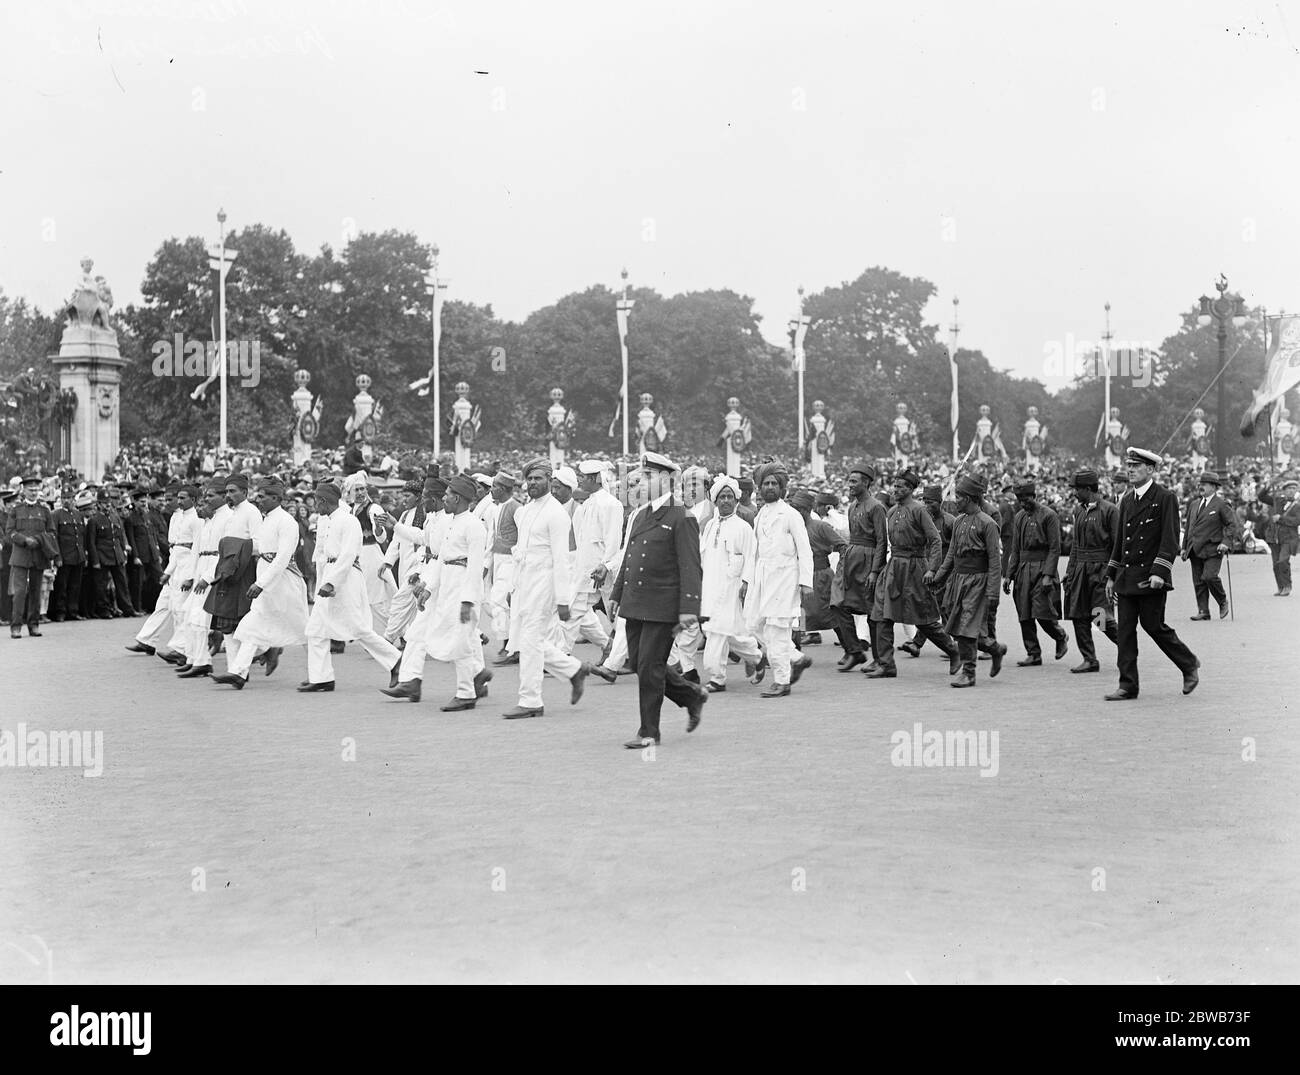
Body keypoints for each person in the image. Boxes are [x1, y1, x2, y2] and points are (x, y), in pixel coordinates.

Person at [610, 452, 706, 745]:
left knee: (650, 667)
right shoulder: (641, 514)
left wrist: (689, 608)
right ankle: (691, 695)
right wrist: (617, 593)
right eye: (642, 476)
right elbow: (629, 555)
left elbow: (691, 567)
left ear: (667, 480)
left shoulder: (681, 515)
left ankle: (648, 732)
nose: (642, 482)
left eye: (649, 477)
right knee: (641, 662)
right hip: (636, 601)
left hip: (663, 605)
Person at [500, 458, 598, 719]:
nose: (533, 483)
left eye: (539, 479)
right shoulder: (526, 510)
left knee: (530, 641)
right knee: (528, 640)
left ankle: (530, 701)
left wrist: (563, 600)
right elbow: (521, 553)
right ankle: (574, 670)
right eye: (530, 479)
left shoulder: (556, 514)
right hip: (525, 584)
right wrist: (513, 588)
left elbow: (561, 560)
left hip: (544, 585)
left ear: (550, 482)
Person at [1103, 447, 1200, 700]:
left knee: (1153, 626)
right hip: (1126, 577)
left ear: (1150, 469)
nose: (1130, 470)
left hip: (1150, 577)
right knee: (1124, 632)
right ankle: (1127, 685)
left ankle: (1188, 664)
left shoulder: (1165, 497)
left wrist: (1159, 571)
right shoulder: (1126, 500)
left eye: (1136, 466)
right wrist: (1111, 575)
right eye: (1129, 466)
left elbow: (1169, 539)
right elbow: (1119, 543)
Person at [388, 474, 490, 711]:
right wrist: (428, 588)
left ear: (458, 498)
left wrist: (468, 600)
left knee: (461, 640)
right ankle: (472, 684)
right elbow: (442, 558)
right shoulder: (452, 522)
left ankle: (467, 693)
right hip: (447, 586)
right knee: (455, 639)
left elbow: (475, 567)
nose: (444, 498)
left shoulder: (474, 525)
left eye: (447, 495)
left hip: (462, 587)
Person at [301, 481, 400, 691]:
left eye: (317, 501)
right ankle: (321, 678)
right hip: (329, 575)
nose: (314, 506)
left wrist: (331, 582)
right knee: (316, 629)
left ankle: (396, 661)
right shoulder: (327, 520)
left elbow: (347, 556)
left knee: (358, 628)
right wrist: (323, 580)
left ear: (323, 501)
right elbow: (323, 556)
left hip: (345, 579)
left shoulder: (348, 521)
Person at [213, 479, 309, 688]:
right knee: (252, 625)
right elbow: (260, 549)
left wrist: (261, 583)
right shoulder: (267, 520)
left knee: (303, 629)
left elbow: (283, 557)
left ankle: (320, 673)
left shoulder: (286, 521)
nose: (259, 500)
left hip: (285, 582)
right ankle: (238, 673)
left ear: (276, 498)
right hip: (266, 579)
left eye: (263, 496)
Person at [867, 469, 959, 679]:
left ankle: (953, 650)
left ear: (910, 489)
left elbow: (935, 540)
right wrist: (876, 571)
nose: (896, 490)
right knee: (882, 614)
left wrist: (932, 569)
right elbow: (883, 543)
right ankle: (887, 664)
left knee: (923, 619)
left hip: (915, 567)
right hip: (894, 567)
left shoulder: (919, 510)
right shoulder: (891, 512)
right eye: (895, 486)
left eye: (900, 487)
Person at [742, 461, 815, 697]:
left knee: (776, 631)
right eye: (766, 483)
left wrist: (806, 583)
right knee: (753, 625)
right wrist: (746, 581)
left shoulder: (790, 515)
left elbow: (804, 550)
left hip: (784, 579)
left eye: (774, 483)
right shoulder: (760, 515)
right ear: (759, 488)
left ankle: (781, 681)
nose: (770, 487)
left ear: (782, 487)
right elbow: (754, 553)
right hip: (761, 579)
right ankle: (796, 657)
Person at [927, 473, 1006, 685]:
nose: (956, 501)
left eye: (959, 497)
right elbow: (951, 556)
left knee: (966, 628)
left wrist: (992, 592)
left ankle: (969, 673)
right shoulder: (959, 522)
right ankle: (995, 649)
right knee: (960, 628)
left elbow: (994, 562)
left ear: (970, 498)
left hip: (978, 583)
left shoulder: (988, 524)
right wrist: (938, 578)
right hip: (958, 581)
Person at [697, 474, 763, 692]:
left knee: (718, 631)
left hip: (731, 587)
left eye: (729, 497)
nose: (725, 501)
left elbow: (751, 557)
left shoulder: (743, 527)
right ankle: (756, 656)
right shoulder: (708, 526)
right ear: (715, 500)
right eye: (721, 497)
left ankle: (717, 678)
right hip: (709, 587)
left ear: (736, 500)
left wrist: (746, 583)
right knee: (726, 631)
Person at [127, 484, 202, 657]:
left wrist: (190, 575)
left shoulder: (194, 519)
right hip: (175, 564)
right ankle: (147, 640)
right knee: (163, 603)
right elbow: (175, 547)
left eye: (172, 499)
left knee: (179, 607)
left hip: (187, 566)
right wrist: (168, 571)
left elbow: (194, 549)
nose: (168, 502)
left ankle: (181, 648)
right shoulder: (177, 517)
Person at [1003, 479, 1069, 666]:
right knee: (1024, 613)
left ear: (1034, 496)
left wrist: (1048, 575)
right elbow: (1015, 550)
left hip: (1042, 568)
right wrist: (1009, 575)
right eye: (1019, 499)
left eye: (1026, 498)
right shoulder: (1019, 517)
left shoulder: (1049, 515)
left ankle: (1060, 636)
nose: (1023, 502)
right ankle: (1033, 653)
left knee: (1042, 612)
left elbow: (1055, 548)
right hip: (1023, 569)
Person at [829, 463, 886, 672]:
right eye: (849, 481)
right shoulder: (852, 506)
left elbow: (882, 541)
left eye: (854, 481)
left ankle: (880, 660)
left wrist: (874, 571)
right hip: (851, 560)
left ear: (866, 483)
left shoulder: (876, 507)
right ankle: (854, 651)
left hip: (869, 561)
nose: (849, 485)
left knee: (872, 613)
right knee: (838, 603)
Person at [1062, 469, 1118, 673]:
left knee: (1099, 616)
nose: (1074, 493)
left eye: (1077, 489)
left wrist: (1112, 574)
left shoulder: (1110, 510)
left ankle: (1127, 647)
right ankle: (1090, 659)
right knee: (1078, 614)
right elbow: (1076, 545)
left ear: (1088, 489)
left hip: (1100, 570)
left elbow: (1116, 545)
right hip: (1080, 570)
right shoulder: (1078, 511)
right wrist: (1070, 571)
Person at [1181, 470, 1239, 620]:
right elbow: (1189, 527)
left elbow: (1232, 525)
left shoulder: (1221, 504)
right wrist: (1183, 547)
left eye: (1205, 484)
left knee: (1209, 577)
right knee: (1198, 582)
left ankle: (1222, 601)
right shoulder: (1194, 504)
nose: (1201, 487)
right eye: (1200, 484)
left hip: (1213, 548)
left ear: (1214, 487)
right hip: (1194, 548)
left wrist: (1226, 542)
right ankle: (1203, 611)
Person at [4, 475, 55, 638]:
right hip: (20, 556)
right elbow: (9, 532)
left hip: (38, 556)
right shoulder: (15, 510)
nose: (33, 493)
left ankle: (33, 625)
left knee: (35, 592)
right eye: (30, 490)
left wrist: (38, 540)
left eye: (36, 490)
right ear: (23, 490)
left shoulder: (45, 511)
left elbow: (52, 532)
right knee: (19, 593)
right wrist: (24, 540)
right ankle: (16, 626)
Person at [50, 489, 89, 621]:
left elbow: (82, 535)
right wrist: (57, 557)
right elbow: (54, 537)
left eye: (69, 497)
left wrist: (84, 555)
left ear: (74, 499)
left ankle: (72, 611)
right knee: (62, 586)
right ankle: (60, 612)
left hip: (77, 556)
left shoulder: (78, 514)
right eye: (64, 498)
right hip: (64, 557)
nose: (66, 500)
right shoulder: (56, 515)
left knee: (75, 585)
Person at [1259, 478, 1300, 595]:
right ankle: (1281, 587)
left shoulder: (1297, 505)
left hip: (1289, 538)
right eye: (1289, 489)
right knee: (1276, 565)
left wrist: (1280, 518)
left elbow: (1297, 521)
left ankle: (1287, 585)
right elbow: (1262, 497)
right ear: (1284, 490)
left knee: (1283, 561)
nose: (1291, 491)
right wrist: (1268, 485)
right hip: (1274, 537)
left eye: (1294, 488)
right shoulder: (1277, 500)